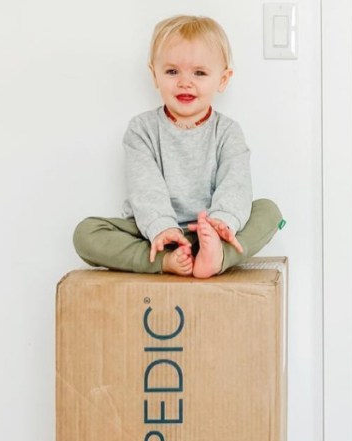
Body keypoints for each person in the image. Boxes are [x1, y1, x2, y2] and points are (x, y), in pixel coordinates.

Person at [74, 15, 282, 278]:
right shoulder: (142, 129)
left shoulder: (228, 132)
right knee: (86, 233)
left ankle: (216, 257)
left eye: (200, 73)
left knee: (269, 211)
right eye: (172, 71)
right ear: (155, 75)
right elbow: (145, 186)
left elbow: (235, 183)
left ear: (223, 79)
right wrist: (161, 228)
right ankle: (165, 261)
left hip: (210, 233)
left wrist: (221, 224)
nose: (185, 82)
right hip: (154, 234)